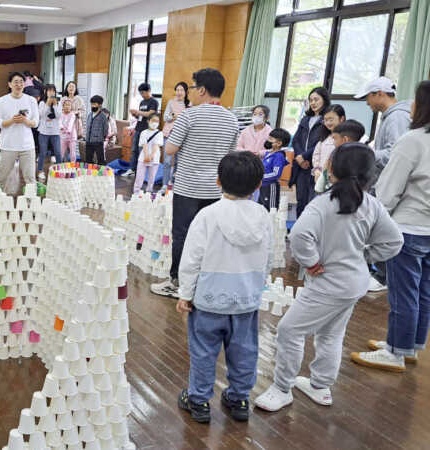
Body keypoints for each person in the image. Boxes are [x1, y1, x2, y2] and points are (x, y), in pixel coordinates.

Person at [255, 143, 402, 412]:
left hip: (328, 285)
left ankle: (282, 387)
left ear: (331, 171)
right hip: (355, 283)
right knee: (331, 333)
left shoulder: (323, 203)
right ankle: (320, 386)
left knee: (290, 330)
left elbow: (299, 235)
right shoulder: (372, 205)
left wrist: (311, 262)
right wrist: (363, 256)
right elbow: (394, 242)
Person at [176, 151, 270, 424]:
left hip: (208, 298)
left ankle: (199, 400)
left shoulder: (208, 215)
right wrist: (257, 286)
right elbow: (269, 256)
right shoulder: (262, 215)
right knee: (245, 350)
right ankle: (239, 398)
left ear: (218, 181)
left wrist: (185, 293)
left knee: (203, 351)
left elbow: (192, 258)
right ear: (258, 185)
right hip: (246, 299)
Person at [351, 80, 430, 372]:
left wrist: (375, 223)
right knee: (423, 291)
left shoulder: (413, 139)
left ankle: (395, 352)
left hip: (408, 228)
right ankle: (409, 346)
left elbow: (389, 188)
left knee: (403, 293)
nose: (409, 106)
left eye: (415, 101)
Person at [150, 68, 240, 298]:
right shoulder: (231, 119)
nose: (190, 92)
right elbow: (231, 154)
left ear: (201, 90)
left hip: (188, 187)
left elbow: (169, 149)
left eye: (192, 87)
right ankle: (202, 282)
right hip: (215, 189)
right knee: (208, 235)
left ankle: (177, 282)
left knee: (182, 234)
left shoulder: (189, 116)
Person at [355, 76, 412, 175]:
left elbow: (396, 155)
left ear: (379, 94)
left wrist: (366, 153)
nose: (367, 103)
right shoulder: (390, 116)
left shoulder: (397, 117)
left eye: (367, 97)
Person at [288, 86, 330, 218]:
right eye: (310, 100)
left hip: (316, 166)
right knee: (300, 199)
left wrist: (304, 156)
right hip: (301, 166)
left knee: (313, 200)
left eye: (316, 99)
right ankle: (298, 228)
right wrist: (300, 158)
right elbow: (295, 140)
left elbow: (321, 143)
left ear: (324, 100)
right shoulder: (305, 119)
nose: (313, 103)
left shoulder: (326, 120)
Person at [0, 72, 39, 191]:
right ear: (10, 84)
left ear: (24, 84)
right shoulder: (2, 101)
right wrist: (11, 121)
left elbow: (36, 122)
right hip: (8, 145)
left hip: (27, 146)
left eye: (21, 82)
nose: (19, 85)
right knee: (1, 177)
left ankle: (31, 203)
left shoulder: (31, 100)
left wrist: (25, 121)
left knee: (30, 178)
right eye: (16, 82)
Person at [125, 83, 160, 178]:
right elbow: (141, 116)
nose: (142, 95)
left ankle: (142, 172)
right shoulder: (142, 102)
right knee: (134, 150)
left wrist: (138, 112)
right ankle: (132, 169)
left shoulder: (154, 102)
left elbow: (150, 114)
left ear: (149, 90)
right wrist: (135, 115)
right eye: (140, 93)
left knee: (142, 151)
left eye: (143, 92)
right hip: (138, 128)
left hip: (147, 131)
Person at [160, 82, 189, 190]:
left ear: (186, 92)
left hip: (182, 136)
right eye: (177, 90)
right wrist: (173, 116)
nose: (179, 92)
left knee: (178, 161)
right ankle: (164, 184)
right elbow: (165, 118)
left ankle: (174, 183)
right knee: (167, 161)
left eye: (181, 90)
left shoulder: (189, 104)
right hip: (169, 134)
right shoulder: (171, 102)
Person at [312, 104, 346, 193]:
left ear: (341, 119)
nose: (328, 123)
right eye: (325, 120)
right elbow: (316, 155)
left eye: (331, 119)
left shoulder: (345, 138)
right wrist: (316, 170)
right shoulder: (324, 138)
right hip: (321, 179)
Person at [259, 128, 291, 211]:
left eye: (271, 139)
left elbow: (276, 173)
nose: (268, 140)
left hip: (271, 186)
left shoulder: (279, 156)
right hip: (263, 185)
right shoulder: (268, 153)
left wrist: (261, 177)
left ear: (279, 143)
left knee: (270, 210)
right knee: (261, 208)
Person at [36, 84, 62, 181]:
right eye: (49, 91)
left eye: (53, 91)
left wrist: (54, 104)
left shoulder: (58, 103)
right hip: (43, 132)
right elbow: (41, 115)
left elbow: (59, 116)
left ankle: (60, 170)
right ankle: (40, 171)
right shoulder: (42, 103)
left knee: (58, 153)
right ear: (45, 92)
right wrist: (48, 103)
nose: (51, 92)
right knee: (42, 152)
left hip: (55, 132)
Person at [132, 114, 163, 193]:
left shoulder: (160, 133)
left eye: (157, 121)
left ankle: (149, 192)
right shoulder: (143, 132)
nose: (155, 123)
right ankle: (136, 192)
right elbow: (144, 145)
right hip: (143, 157)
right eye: (153, 121)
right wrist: (146, 156)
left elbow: (156, 145)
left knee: (151, 178)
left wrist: (151, 156)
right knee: (139, 176)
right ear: (148, 121)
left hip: (155, 157)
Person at [84, 95, 109, 165]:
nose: (92, 106)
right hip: (88, 141)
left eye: (94, 104)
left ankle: (102, 174)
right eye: (91, 104)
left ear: (100, 105)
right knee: (88, 159)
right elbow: (88, 126)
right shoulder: (89, 115)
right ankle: (89, 173)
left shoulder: (103, 116)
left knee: (100, 159)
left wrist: (102, 137)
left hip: (98, 142)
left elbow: (105, 129)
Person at [60, 98, 78, 162]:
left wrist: (69, 130)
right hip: (63, 136)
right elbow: (59, 122)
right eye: (66, 105)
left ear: (71, 107)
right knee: (61, 152)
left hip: (72, 136)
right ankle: (59, 164)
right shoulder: (61, 115)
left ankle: (73, 165)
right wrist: (61, 127)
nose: (67, 106)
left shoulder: (72, 114)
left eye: (69, 105)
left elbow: (71, 122)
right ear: (63, 106)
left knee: (72, 153)